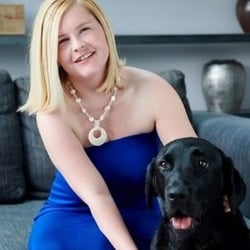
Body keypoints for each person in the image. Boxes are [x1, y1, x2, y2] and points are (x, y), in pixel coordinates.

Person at [21, 0, 197, 249]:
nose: (78, 45)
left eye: (84, 29)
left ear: (103, 28)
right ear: (52, 55)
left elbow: (191, 166)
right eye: (62, 41)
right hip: (73, 216)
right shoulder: (51, 112)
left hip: (142, 213)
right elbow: (97, 196)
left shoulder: (154, 89)